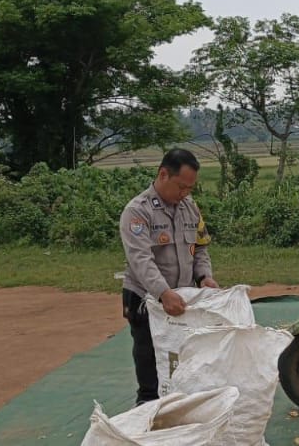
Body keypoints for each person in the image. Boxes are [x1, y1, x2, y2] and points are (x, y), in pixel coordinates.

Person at [119, 148, 218, 406]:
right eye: (181, 187)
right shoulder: (137, 212)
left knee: (182, 357)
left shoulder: (190, 208)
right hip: (146, 298)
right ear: (163, 174)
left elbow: (200, 247)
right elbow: (140, 259)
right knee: (150, 359)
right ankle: (148, 407)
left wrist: (204, 277)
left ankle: (179, 406)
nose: (185, 193)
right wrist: (163, 293)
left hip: (182, 297)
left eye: (190, 188)